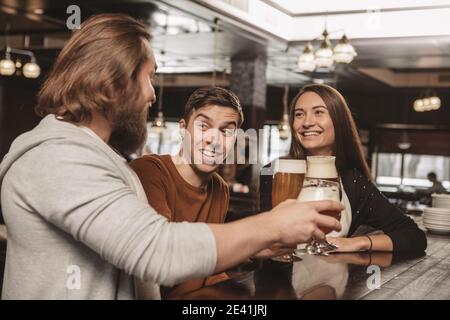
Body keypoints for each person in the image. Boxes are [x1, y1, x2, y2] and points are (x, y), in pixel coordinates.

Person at [0, 14, 343, 299]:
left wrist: (257, 243)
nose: (152, 94)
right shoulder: (58, 157)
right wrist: (272, 226)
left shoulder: (99, 157)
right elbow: (158, 252)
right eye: (149, 77)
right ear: (114, 83)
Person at [261, 84, 426, 253]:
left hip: (333, 276)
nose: (307, 122)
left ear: (338, 121)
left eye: (319, 112)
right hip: (278, 275)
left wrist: (359, 243)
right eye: (299, 114)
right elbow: (262, 236)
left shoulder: (353, 181)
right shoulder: (274, 171)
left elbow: (415, 236)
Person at [130, 87, 243, 298]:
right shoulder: (150, 171)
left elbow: (208, 265)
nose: (214, 140)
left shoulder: (219, 188)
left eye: (226, 131)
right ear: (182, 130)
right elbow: (162, 258)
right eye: (203, 126)